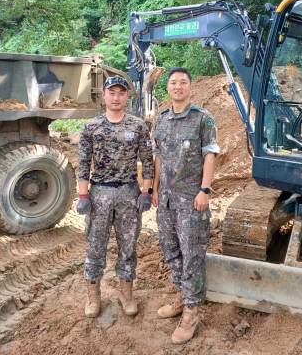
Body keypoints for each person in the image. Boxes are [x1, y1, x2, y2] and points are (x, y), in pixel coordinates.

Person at [76, 75, 154, 318]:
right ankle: (93, 296)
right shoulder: (91, 127)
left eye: (121, 93)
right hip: (99, 192)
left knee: (128, 246)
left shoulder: (138, 126)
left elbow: (147, 161)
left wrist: (146, 191)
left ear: (127, 96)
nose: (117, 97)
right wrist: (83, 195)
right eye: (112, 93)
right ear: (104, 96)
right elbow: (82, 162)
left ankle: (126, 293)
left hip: (128, 193)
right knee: (96, 245)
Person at [152, 67, 219, 344]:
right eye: (173, 83)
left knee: (192, 255)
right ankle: (181, 295)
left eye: (183, 82)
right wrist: (153, 188)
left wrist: (205, 189)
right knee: (171, 251)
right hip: (166, 200)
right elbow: (157, 155)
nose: (178, 86)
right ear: (167, 88)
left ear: (191, 87)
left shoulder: (203, 118)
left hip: (192, 200)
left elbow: (210, 155)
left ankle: (191, 311)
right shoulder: (162, 119)